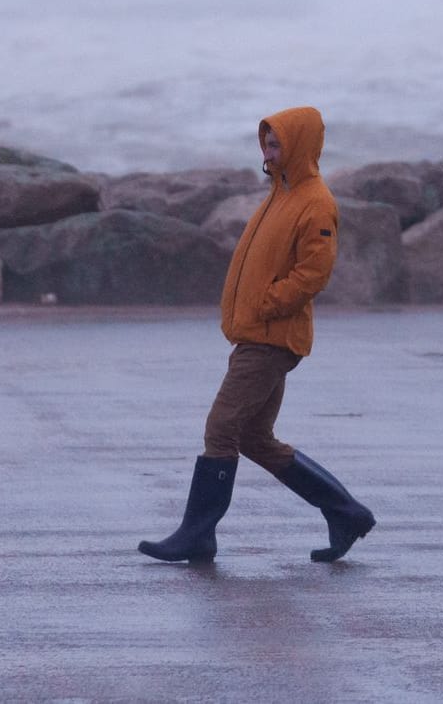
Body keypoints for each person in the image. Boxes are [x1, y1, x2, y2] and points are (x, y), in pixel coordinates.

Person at [137, 105, 376, 564]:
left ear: (300, 146)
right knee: (253, 438)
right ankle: (346, 512)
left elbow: (314, 272)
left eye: (278, 142)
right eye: (266, 142)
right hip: (256, 333)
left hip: (271, 338)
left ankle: (197, 534)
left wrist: (268, 304)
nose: (269, 150)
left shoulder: (315, 202)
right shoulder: (279, 193)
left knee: (221, 428)